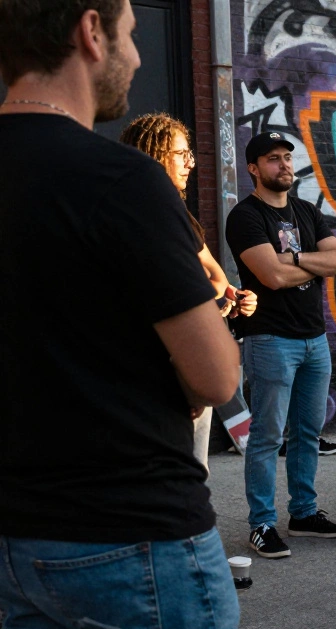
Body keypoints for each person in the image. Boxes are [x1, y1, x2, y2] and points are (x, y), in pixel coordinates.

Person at [0, 0, 244, 629]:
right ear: (90, 30)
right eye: (132, 36)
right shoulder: (124, 181)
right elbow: (216, 375)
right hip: (137, 536)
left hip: (22, 542)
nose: (137, 58)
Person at [225, 131, 336, 559]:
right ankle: (261, 523)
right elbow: (271, 278)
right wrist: (307, 267)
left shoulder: (307, 212)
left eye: (287, 157)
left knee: (308, 434)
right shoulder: (245, 217)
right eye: (273, 159)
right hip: (270, 339)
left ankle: (304, 512)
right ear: (254, 169)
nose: (284, 165)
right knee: (267, 436)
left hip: (315, 340)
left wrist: (293, 260)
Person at [119, 112, 260, 471]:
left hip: (184, 360)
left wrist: (231, 297)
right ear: (153, 154)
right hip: (166, 368)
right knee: (176, 475)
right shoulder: (144, 216)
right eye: (181, 153)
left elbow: (215, 276)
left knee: (192, 472)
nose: (190, 163)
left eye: (190, 154)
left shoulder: (176, 212)